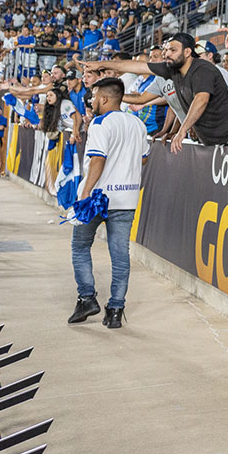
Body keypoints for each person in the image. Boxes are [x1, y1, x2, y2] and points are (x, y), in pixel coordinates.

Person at [66, 77, 150, 330]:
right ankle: (115, 310)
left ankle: (87, 298)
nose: (92, 101)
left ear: (103, 98)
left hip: (98, 197)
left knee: (80, 246)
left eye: (93, 97)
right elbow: (143, 159)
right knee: (120, 254)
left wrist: (85, 193)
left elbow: (97, 160)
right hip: (127, 197)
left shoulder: (100, 123)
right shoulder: (138, 123)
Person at [85, 33, 228, 153]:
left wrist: (182, 129)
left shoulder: (202, 69)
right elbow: (136, 67)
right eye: (166, 50)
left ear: (187, 52)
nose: (167, 53)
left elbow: (201, 100)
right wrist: (99, 64)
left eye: (172, 50)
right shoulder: (171, 69)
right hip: (213, 139)